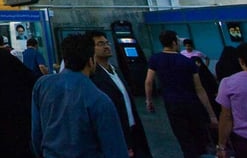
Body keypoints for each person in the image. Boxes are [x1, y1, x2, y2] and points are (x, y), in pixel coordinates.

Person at [31, 34, 127, 158]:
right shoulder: (100, 100)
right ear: (91, 60)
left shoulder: (42, 85)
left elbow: (36, 133)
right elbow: (115, 150)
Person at [145, 30, 217, 158]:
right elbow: (199, 89)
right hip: (191, 103)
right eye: (178, 41)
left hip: (172, 104)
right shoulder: (188, 62)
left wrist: (149, 100)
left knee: (183, 138)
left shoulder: (155, 59)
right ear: (173, 42)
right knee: (198, 136)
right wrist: (211, 114)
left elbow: (149, 82)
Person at [88, 30, 151, 158]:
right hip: (117, 135)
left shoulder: (116, 70)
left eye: (107, 43)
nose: (106, 46)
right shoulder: (93, 76)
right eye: (100, 44)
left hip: (133, 130)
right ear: (91, 49)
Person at [215, 42, 247, 158]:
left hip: (245, 141)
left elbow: (226, 117)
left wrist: (221, 146)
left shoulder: (228, 82)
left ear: (241, 61)